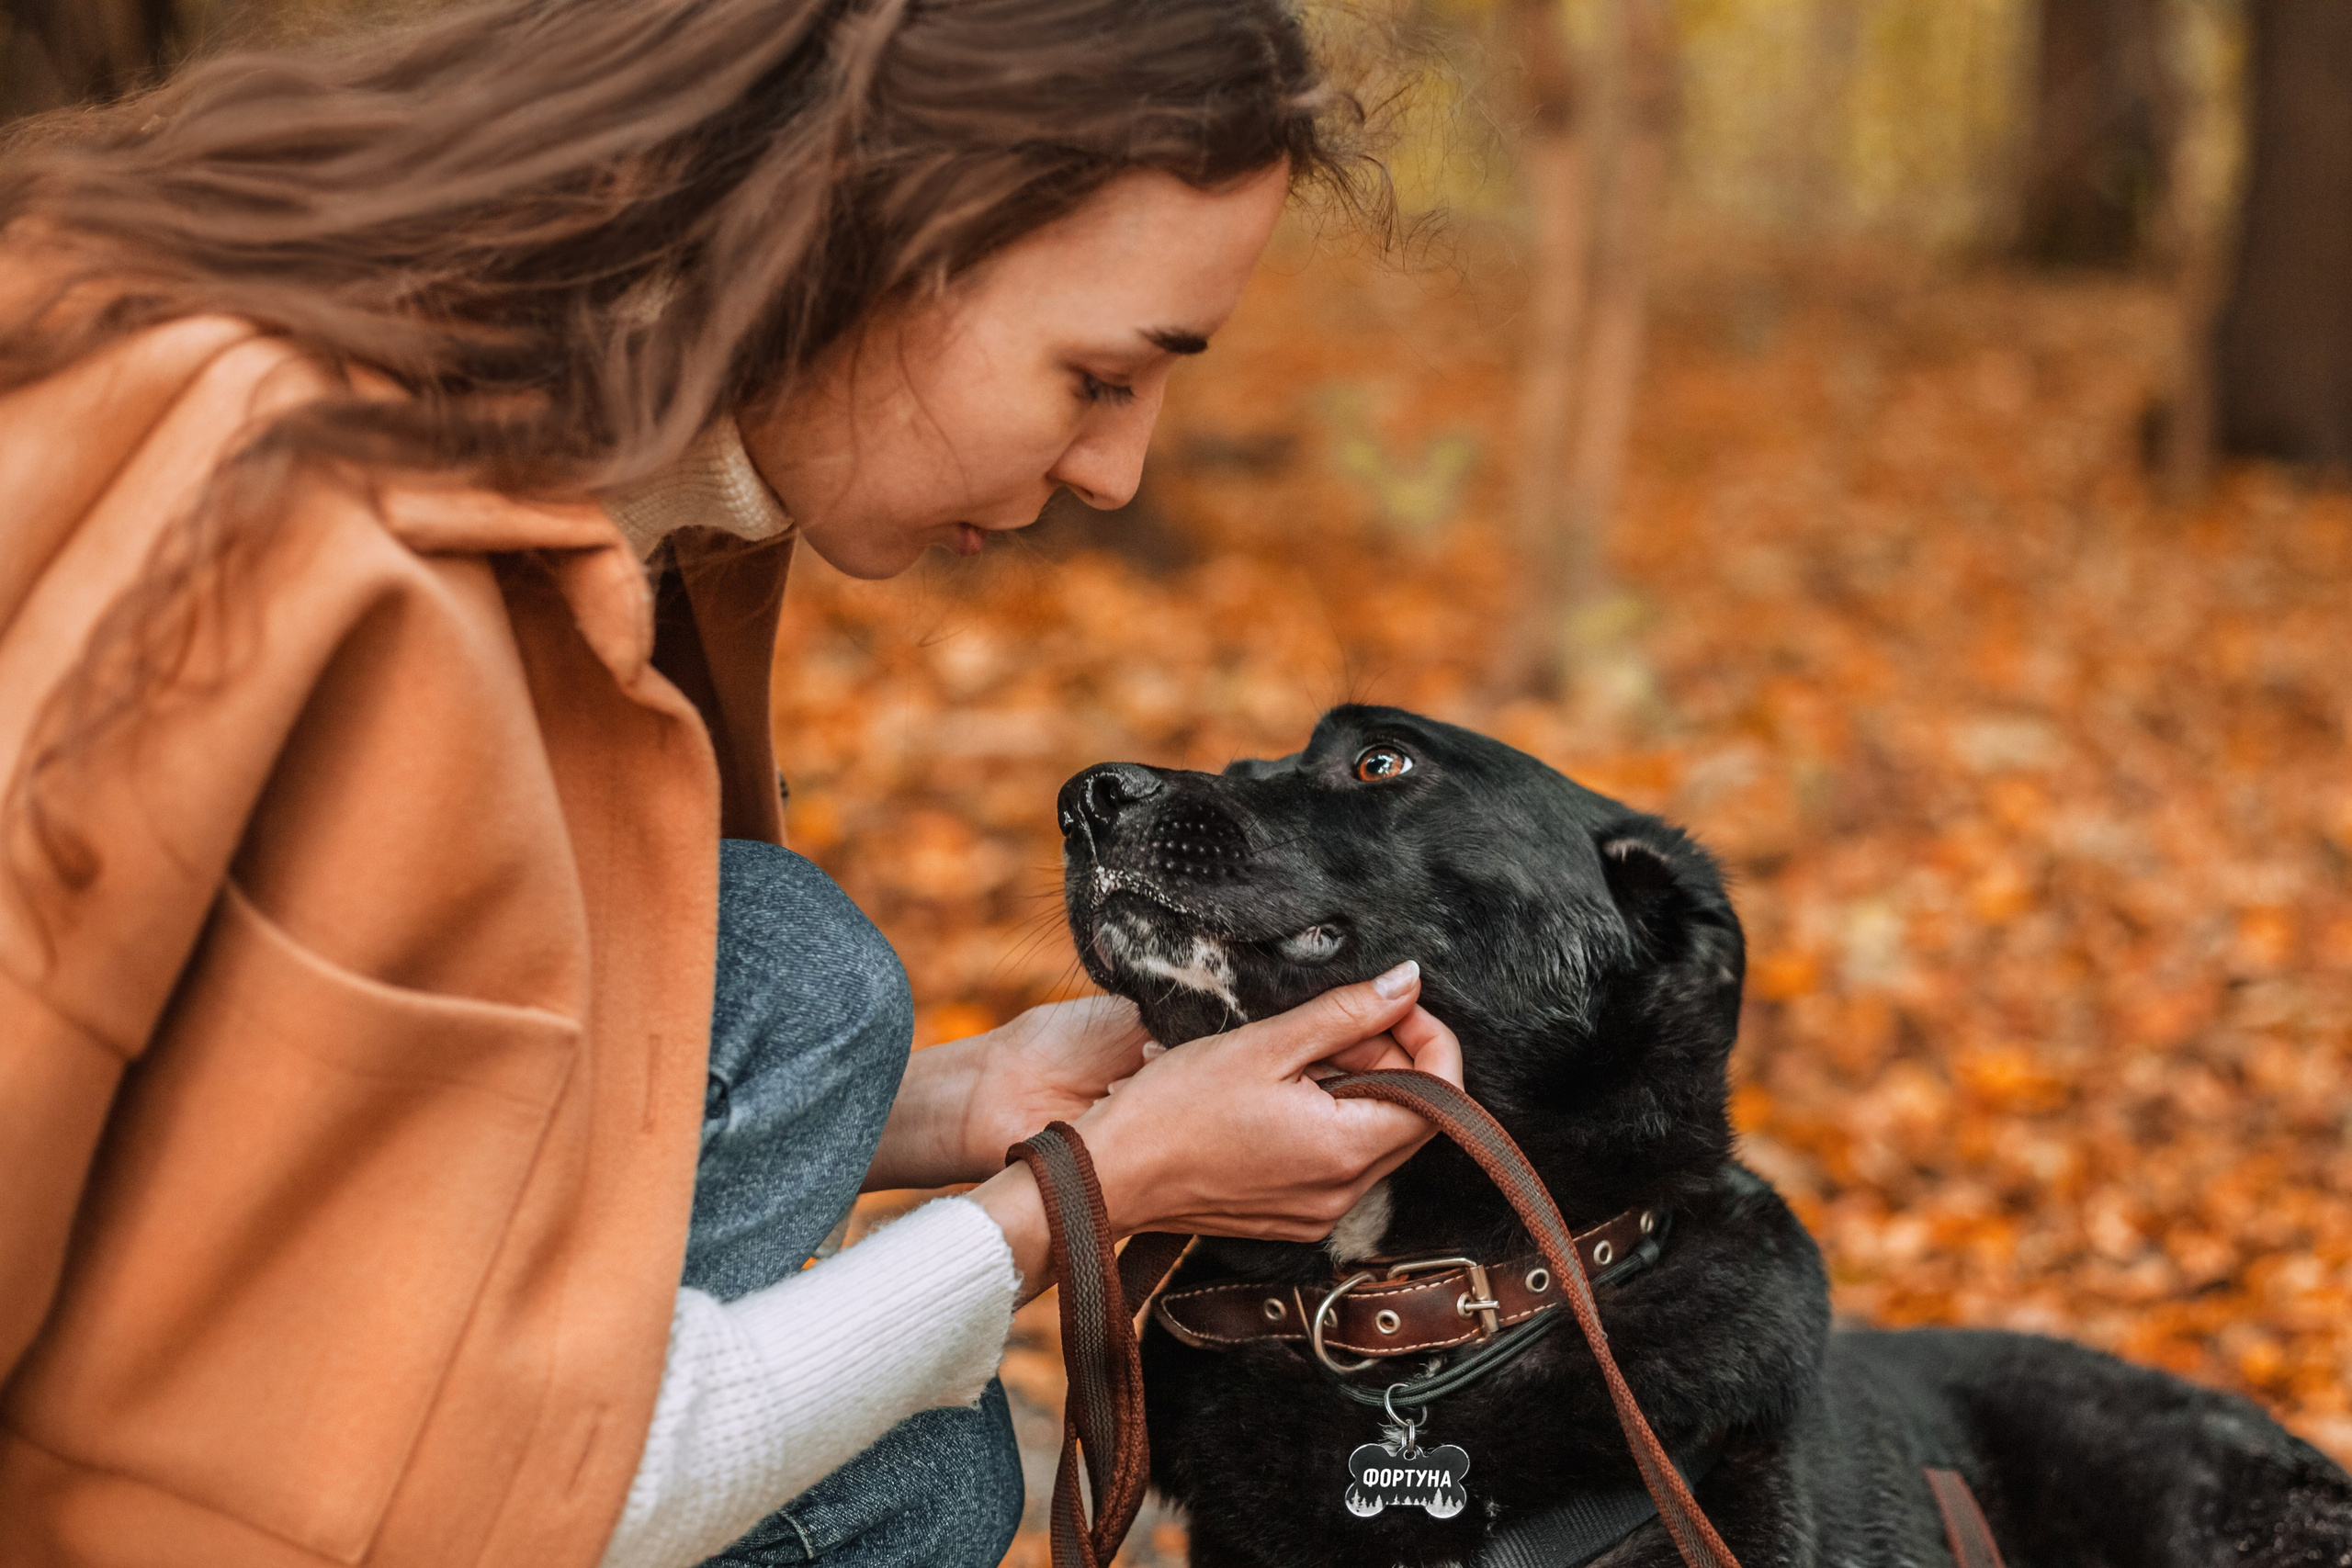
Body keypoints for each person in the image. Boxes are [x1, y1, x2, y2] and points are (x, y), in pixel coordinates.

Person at [0, 3, 1463, 1566]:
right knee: (799, 991)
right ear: (872, 231)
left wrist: (970, 1108)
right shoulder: (281, 524)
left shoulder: (647, 514)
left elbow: (293, 1129)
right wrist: (1086, 1193)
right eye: (1098, 377)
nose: (1116, 474)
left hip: (236, 1378)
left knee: (917, 1458)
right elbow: (474, 1498)